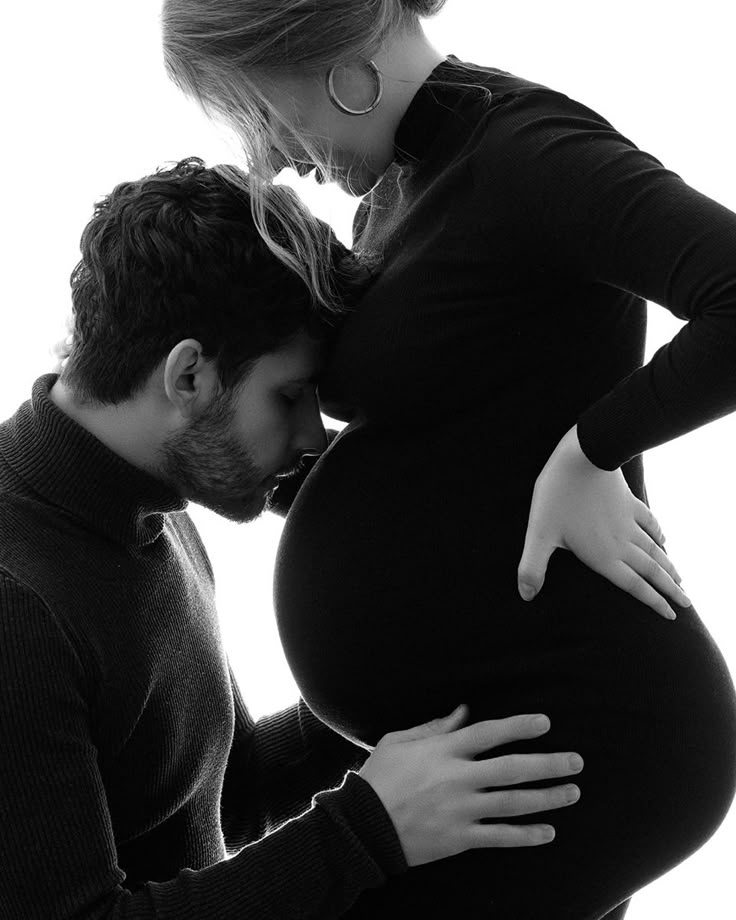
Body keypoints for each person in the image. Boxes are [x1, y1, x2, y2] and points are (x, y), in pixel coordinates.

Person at [162, 1, 736, 918]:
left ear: (325, 55)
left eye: (259, 112)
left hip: (600, 731)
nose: (267, 156)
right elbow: (457, 445)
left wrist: (592, 453)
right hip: (502, 723)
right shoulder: (401, 185)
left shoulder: (531, 151)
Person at [0, 158, 588, 920]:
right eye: (290, 395)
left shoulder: (152, 500)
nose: (315, 435)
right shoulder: (17, 607)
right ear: (188, 376)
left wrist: (414, 686)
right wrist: (369, 829)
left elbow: (225, 795)